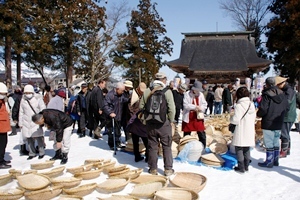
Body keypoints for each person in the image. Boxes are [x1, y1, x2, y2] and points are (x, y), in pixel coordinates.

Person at [140, 72, 176, 176]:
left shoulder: (148, 90)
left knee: (152, 146)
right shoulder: (167, 91)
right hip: (164, 124)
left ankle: (153, 169)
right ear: (163, 79)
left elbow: (141, 106)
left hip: (150, 123)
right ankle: (168, 169)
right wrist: (170, 120)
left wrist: (146, 118)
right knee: (166, 146)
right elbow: (172, 109)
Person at [257, 77, 288, 168]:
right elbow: (287, 107)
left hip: (268, 121)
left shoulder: (267, 94)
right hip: (279, 121)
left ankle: (269, 161)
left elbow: (263, 108)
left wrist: (259, 114)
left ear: (267, 84)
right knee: (276, 141)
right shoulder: (283, 94)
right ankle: (275, 160)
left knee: (269, 142)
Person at [230, 87, 256, 173]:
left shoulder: (238, 106)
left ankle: (241, 167)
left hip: (241, 129)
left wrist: (231, 118)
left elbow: (236, 119)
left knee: (239, 149)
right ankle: (246, 166)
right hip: (249, 128)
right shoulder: (251, 104)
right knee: (247, 148)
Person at [18, 84, 46, 160]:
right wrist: (20, 122)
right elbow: (21, 111)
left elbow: (43, 109)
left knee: (39, 137)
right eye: (26, 93)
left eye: (29, 92)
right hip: (26, 121)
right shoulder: (23, 100)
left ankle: (41, 152)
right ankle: (32, 152)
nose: (28, 94)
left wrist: (41, 118)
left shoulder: (38, 98)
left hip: (36, 120)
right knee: (29, 138)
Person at [103, 82, 128, 150]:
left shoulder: (121, 95)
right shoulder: (110, 95)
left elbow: (124, 100)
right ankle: (111, 144)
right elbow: (105, 105)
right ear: (117, 89)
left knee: (118, 131)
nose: (123, 92)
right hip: (111, 117)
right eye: (122, 90)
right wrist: (110, 112)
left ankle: (117, 142)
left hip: (118, 115)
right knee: (111, 131)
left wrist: (130, 100)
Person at [275, 76, 296, 157]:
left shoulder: (288, 91)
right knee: (286, 133)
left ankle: (284, 151)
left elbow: (287, 102)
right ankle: (287, 150)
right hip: (288, 115)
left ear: (281, 84)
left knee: (284, 134)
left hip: (287, 115)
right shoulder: (287, 90)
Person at [182, 81, 208, 147]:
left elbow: (205, 104)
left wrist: (201, 108)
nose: (198, 91)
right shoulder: (187, 94)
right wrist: (194, 107)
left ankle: (203, 146)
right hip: (189, 116)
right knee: (187, 132)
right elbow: (186, 105)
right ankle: (185, 146)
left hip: (198, 116)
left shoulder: (201, 95)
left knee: (201, 131)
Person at [127, 82, 148, 162]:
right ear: (138, 88)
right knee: (137, 140)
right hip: (135, 121)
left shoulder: (143, 95)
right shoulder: (132, 96)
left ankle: (147, 156)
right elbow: (130, 108)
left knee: (145, 139)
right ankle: (137, 156)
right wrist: (135, 116)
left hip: (140, 120)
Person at [0, 82, 12, 169]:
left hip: (3, 126)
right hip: (0, 126)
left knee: (3, 144)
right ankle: (0, 161)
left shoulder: (2, 101)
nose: (4, 95)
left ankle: (2, 159)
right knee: (1, 145)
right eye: (2, 94)